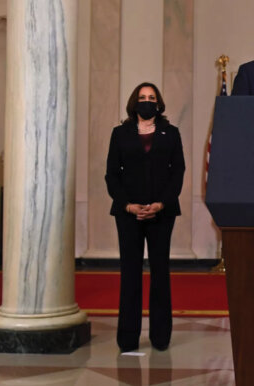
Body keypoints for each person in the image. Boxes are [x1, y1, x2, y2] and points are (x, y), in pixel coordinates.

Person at [105, 82, 185, 353]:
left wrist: (161, 203)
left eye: (151, 97)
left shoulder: (171, 133)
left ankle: (160, 337)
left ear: (158, 102)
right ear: (134, 102)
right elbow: (112, 174)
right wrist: (127, 205)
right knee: (130, 273)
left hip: (162, 213)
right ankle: (128, 337)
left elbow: (178, 172)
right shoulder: (120, 133)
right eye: (142, 97)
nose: (147, 101)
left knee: (160, 272)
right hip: (128, 214)